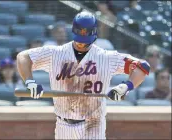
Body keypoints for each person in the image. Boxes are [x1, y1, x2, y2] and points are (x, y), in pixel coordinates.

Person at [17, 11, 150, 139]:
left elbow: (142, 66)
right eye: (79, 38)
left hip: (93, 124)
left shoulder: (106, 57)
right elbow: (23, 57)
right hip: (64, 125)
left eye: (85, 39)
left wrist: (126, 86)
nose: (81, 43)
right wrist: (30, 82)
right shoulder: (55, 53)